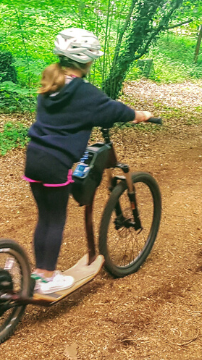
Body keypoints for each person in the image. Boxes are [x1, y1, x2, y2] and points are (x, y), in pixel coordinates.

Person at [23, 28, 153, 294]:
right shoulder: (84, 92)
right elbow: (113, 110)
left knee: (45, 218)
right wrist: (140, 114)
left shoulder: (50, 83)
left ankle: (40, 272)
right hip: (56, 164)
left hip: (34, 159)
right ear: (87, 60)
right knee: (56, 219)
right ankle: (46, 279)